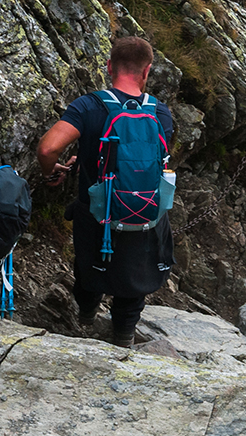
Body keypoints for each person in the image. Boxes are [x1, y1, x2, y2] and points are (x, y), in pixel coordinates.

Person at [37, 37, 174, 348]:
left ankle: (85, 318)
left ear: (110, 67)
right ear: (147, 71)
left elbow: (48, 148)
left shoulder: (90, 106)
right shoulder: (160, 112)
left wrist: (52, 172)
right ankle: (123, 338)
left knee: (89, 268)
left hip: (98, 212)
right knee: (134, 280)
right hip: (146, 212)